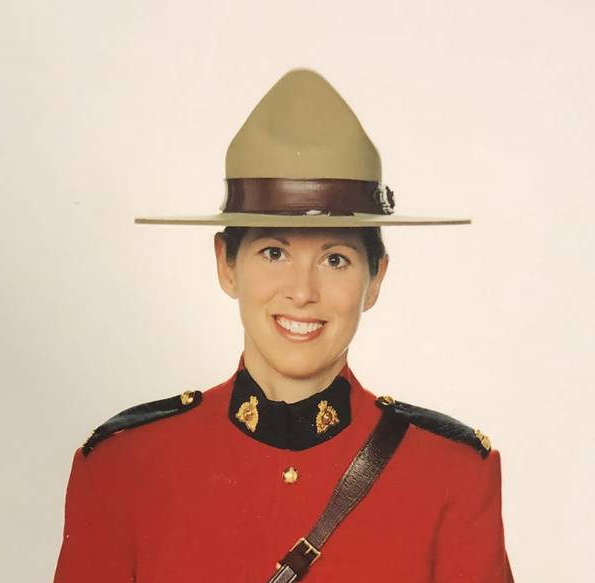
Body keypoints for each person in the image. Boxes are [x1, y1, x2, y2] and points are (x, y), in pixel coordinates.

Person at [54, 69, 514, 582]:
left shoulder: (450, 474)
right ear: (226, 265)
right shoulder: (123, 468)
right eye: (274, 252)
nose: (302, 291)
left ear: (376, 278)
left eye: (335, 259)